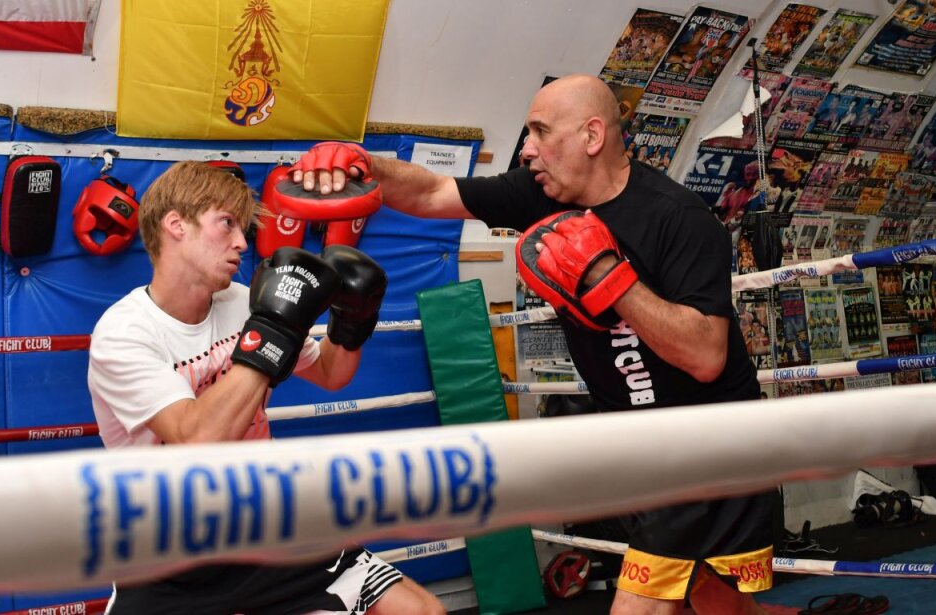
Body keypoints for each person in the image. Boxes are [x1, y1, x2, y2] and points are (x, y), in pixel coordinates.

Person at [290, 75, 774, 615]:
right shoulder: (540, 193)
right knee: (713, 597)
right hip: (640, 443)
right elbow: (430, 193)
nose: (527, 147)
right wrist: (364, 163)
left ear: (592, 136)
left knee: (645, 602)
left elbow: (707, 356)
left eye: (542, 132)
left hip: (706, 440)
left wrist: (612, 281)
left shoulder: (679, 219)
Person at [87, 161, 444, 615]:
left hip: (266, 521)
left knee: (422, 612)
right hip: (168, 550)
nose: (241, 241)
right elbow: (198, 437)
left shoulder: (241, 300)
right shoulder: (125, 333)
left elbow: (332, 374)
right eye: (227, 224)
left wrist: (351, 321)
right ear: (175, 225)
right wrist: (272, 332)